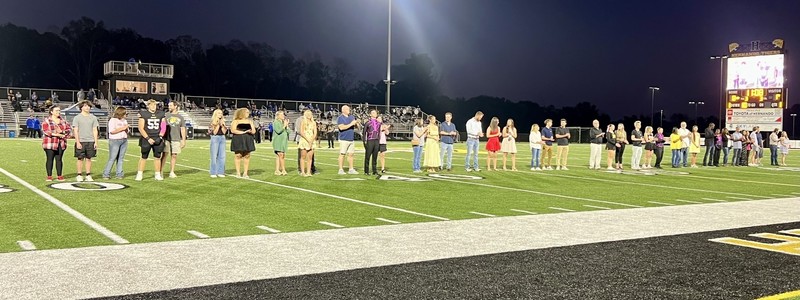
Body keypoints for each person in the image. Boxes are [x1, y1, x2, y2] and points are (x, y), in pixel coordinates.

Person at [136, 99, 167, 181]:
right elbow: (141, 128)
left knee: (157, 157)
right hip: (146, 138)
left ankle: (157, 174)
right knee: (143, 157)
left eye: (155, 105)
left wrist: (160, 136)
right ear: (148, 106)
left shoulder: (161, 114)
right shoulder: (143, 114)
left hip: (157, 137)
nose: (153, 106)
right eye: (151, 105)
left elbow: (163, 126)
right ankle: (140, 174)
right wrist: (148, 138)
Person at [72, 100, 99, 182]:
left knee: (89, 158)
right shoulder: (77, 118)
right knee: (80, 158)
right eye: (85, 106)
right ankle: (79, 175)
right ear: (81, 108)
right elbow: (76, 130)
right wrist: (78, 142)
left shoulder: (93, 118)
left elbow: (95, 130)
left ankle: (88, 175)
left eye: (88, 106)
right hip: (81, 141)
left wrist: (96, 142)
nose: (87, 108)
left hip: (91, 141)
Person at [42, 106, 71, 181]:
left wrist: (62, 131)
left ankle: (59, 175)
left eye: (59, 110)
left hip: (61, 143)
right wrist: (57, 134)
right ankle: (49, 176)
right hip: (50, 143)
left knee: (59, 159)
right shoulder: (47, 120)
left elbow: (68, 130)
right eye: (56, 110)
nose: (58, 112)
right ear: (51, 112)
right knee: (50, 159)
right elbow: (46, 131)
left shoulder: (63, 121)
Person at [102, 107, 129, 180]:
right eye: (125, 113)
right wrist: (123, 128)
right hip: (115, 141)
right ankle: (106, 174)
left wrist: (126, 129)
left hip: (124, 140)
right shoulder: (113, 120)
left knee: (120, 158)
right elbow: (112, 131)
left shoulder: (124, 120)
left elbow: (127, 131)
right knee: (112, 158)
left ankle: (119, 174)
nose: (126, 115)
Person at [161, 102, 186, 178]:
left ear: (175, 106)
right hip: (167, 138)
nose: (169, 106)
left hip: (176, 138)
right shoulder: (166, 115)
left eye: (171, 105)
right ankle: (160, 171)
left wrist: (183, 140)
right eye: (169, 105)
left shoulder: (180, 117)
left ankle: (172, 172)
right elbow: (162, 126)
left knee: (174, 155)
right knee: (164, 154)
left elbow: (183, 128)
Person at [230, 108, 256, 178]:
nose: (248, 113)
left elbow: (254, 131)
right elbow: (233, 130)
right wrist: (243, 132)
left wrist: (250, 131)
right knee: (238, 155)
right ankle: (238, 173)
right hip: (238, 138)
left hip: (248, 138)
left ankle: (245, 173)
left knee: (247, 155)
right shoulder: (236, 121)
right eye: (246, 112)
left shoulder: (250, 121)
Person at [336, 105, 359, 175]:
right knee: (342, 154)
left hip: (351, 138)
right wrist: (351, 124)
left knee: (351, 154)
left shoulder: (351, 117)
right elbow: (341, 127)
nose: (349, 110)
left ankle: (351, 169)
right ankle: (340, 169)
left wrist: (357, 123)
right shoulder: (340, 118)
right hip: (344, 139)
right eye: (347, 109)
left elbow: (356, 127)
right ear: (343, 110)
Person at [208, 109, 227, 178]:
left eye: (221, 113)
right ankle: (213, 172)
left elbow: (224, 132)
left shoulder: (223, 121)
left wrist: (223, 126)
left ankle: (220, 172)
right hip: (215, 138)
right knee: (214, 156)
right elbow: (214, 132)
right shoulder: (212, 122)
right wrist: (218, 124)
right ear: (215, 114)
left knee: (222, 156)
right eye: (219, 113)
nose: (220, 114)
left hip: (222, 138)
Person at [362, 109, 381, 175]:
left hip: (376, 141)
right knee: (367, 156)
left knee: (375, 157)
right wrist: (364, 142)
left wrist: (379, 141)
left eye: (375, 112)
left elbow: (379, 133)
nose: (375, 114)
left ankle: (374, 171)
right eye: (373, 113)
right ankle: (366, 171)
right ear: (370, 114)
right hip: (370, 140)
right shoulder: (368, 123)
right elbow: (364, 133)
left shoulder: (379, 123)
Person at [271, 111, 289, 175]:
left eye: (283, 115)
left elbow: (289, 132)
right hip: (278, 141)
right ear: (278, 116)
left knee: (280, 156)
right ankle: (283, 170)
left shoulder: (283, 122)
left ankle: (277, 170)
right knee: (281, 155)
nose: (283, 116)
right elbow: (278, 131)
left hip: (283, 141)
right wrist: (284, 126)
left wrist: (287, 126)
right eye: (281, 115)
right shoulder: (276, 122)